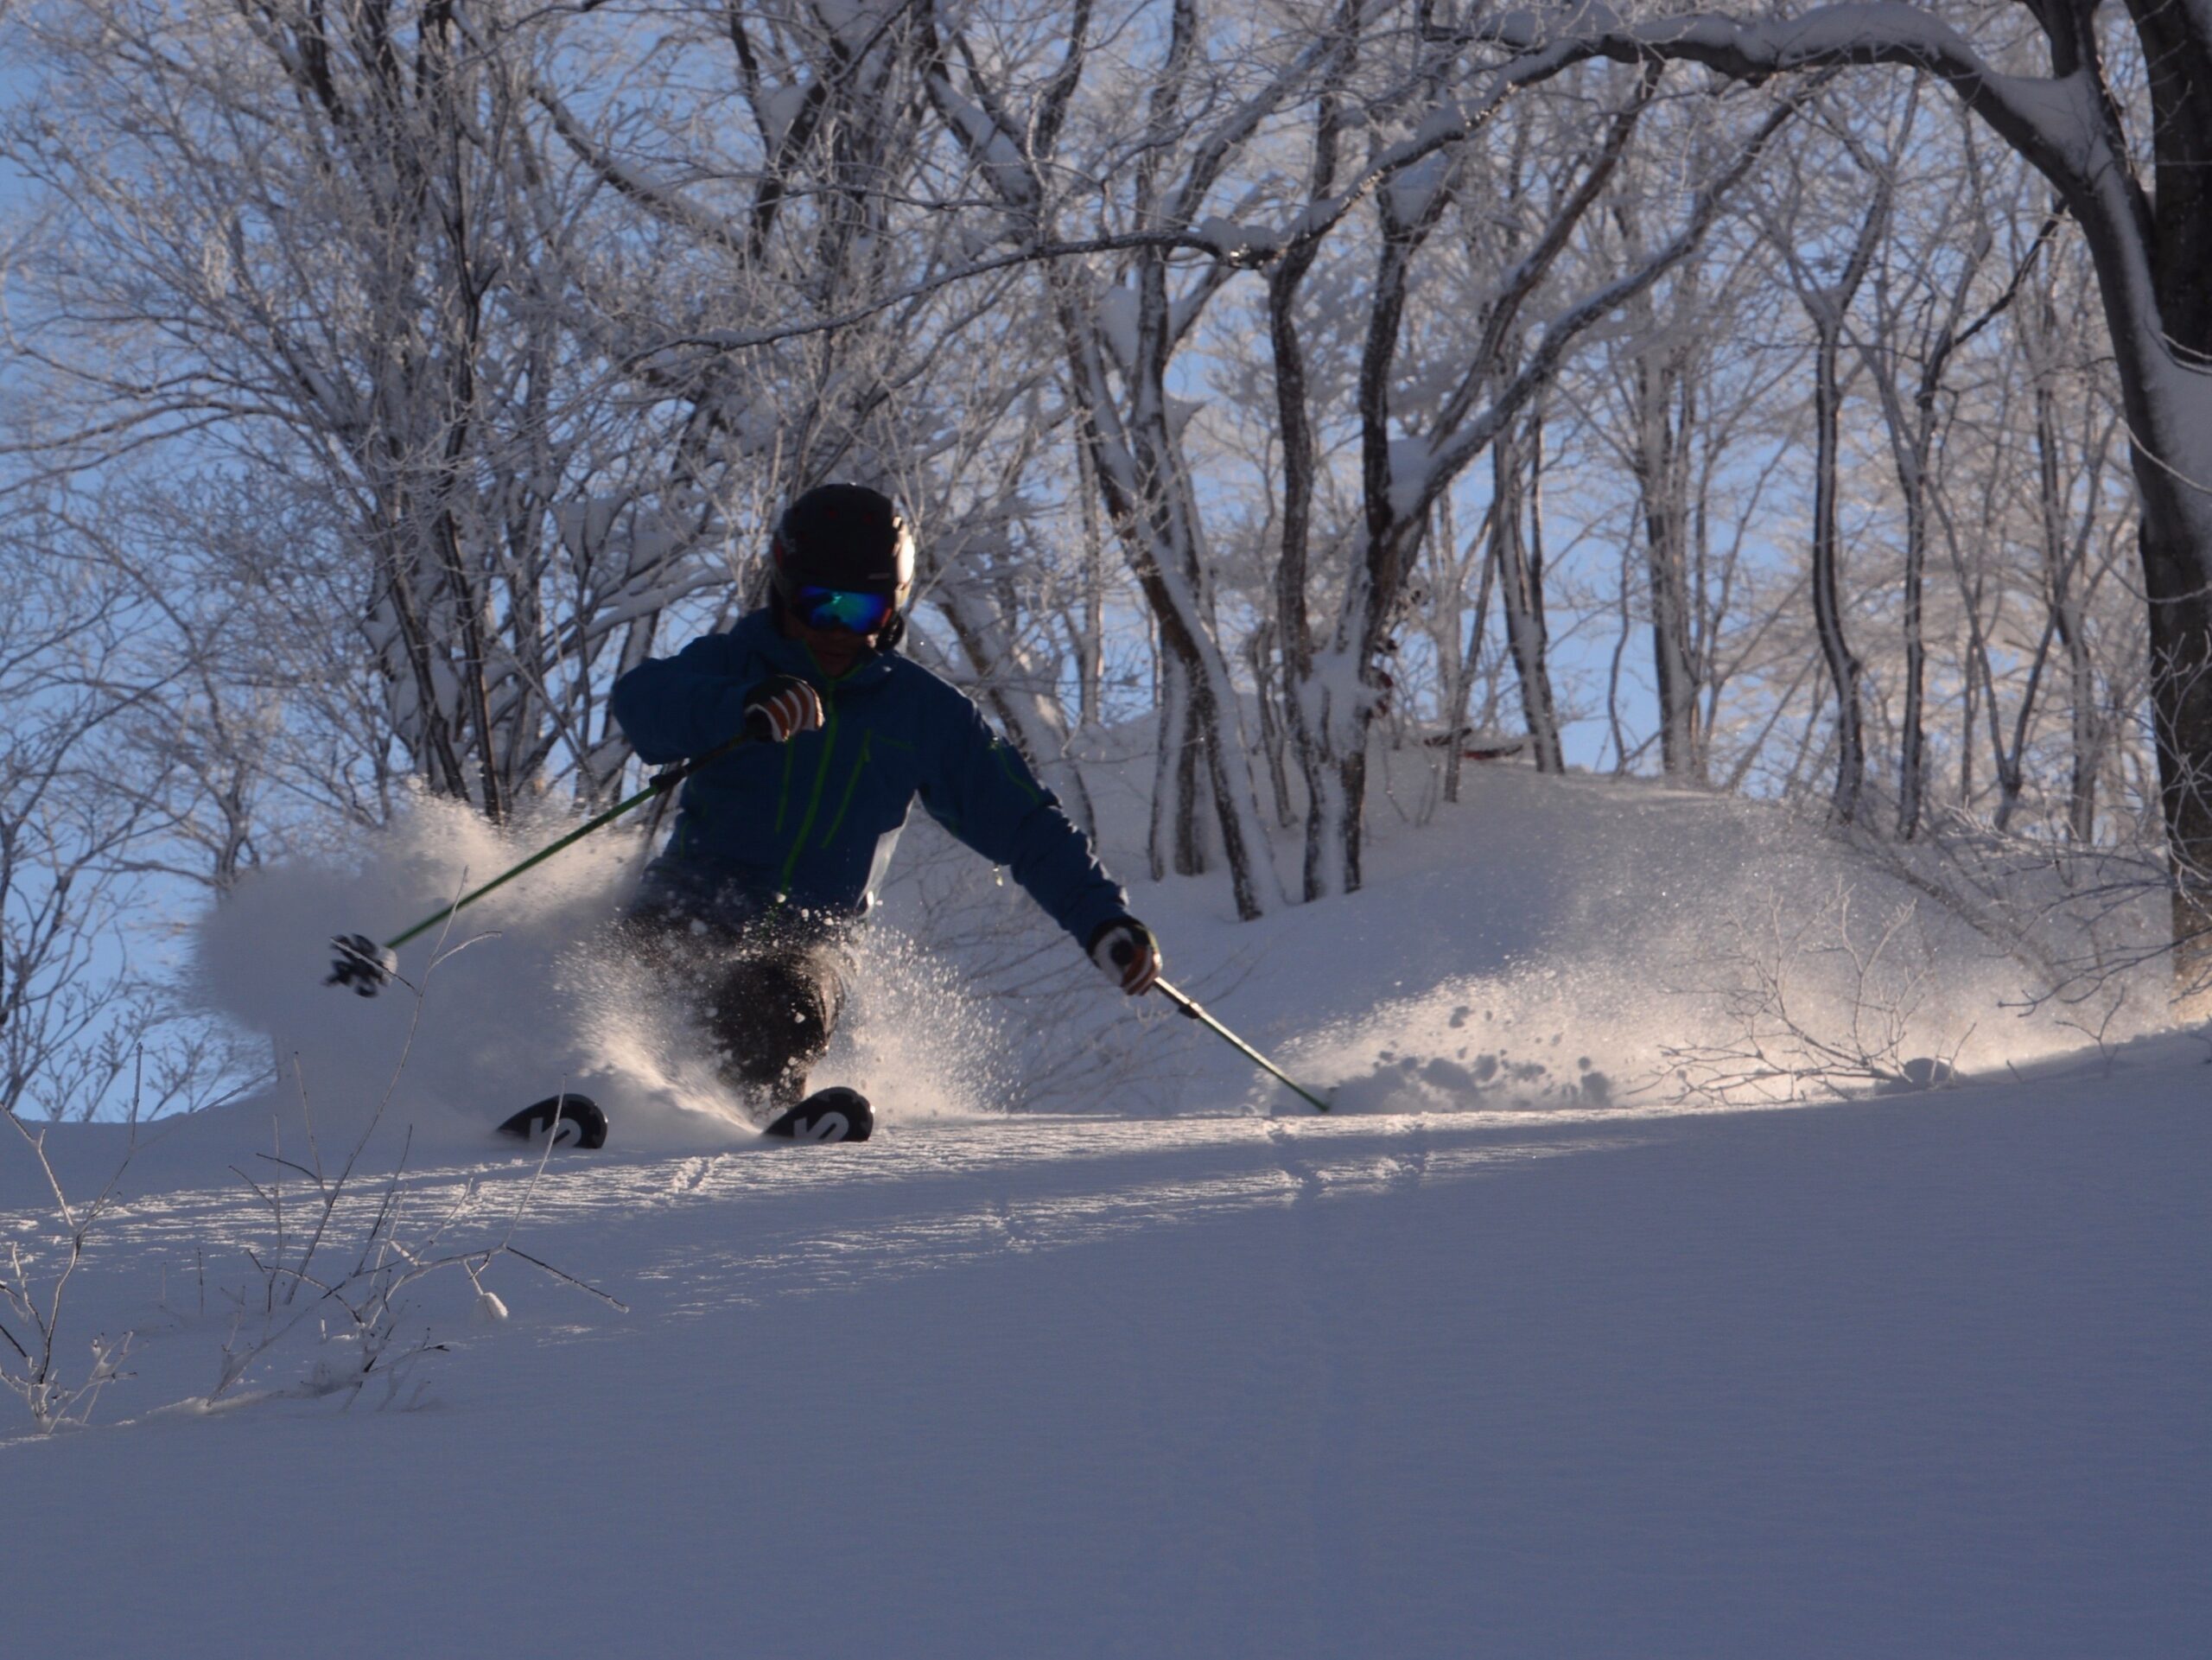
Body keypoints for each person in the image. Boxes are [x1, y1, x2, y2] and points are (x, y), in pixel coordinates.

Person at [607, 482, 1160, 1142]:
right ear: (785, 593)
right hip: (692, 900)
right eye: (820, 604)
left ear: (894, 608)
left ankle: (743, 1138)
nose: (838, 629)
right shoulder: (734, 665)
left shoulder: (920, 714)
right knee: (622, 977)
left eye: (862, 609)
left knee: (775, 1003)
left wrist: (1102, 918)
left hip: (808, 938)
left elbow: (1023, 822)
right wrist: (739, 705)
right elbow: (643, 704)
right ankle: (572, 1101)